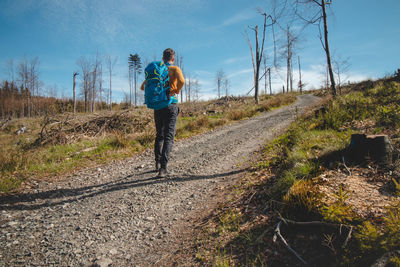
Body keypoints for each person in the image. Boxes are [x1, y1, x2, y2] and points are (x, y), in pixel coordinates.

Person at [140, 48, 185, 177]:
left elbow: (142, 87)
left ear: (163, 57)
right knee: (169, 137)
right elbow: (182, 81)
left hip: (158, 107)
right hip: (170, 105)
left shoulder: (156, 71)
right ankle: (163, 169)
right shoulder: (174, 69)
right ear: (173, 58)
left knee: (159, 135)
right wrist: (176, 90)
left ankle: (157, 163)